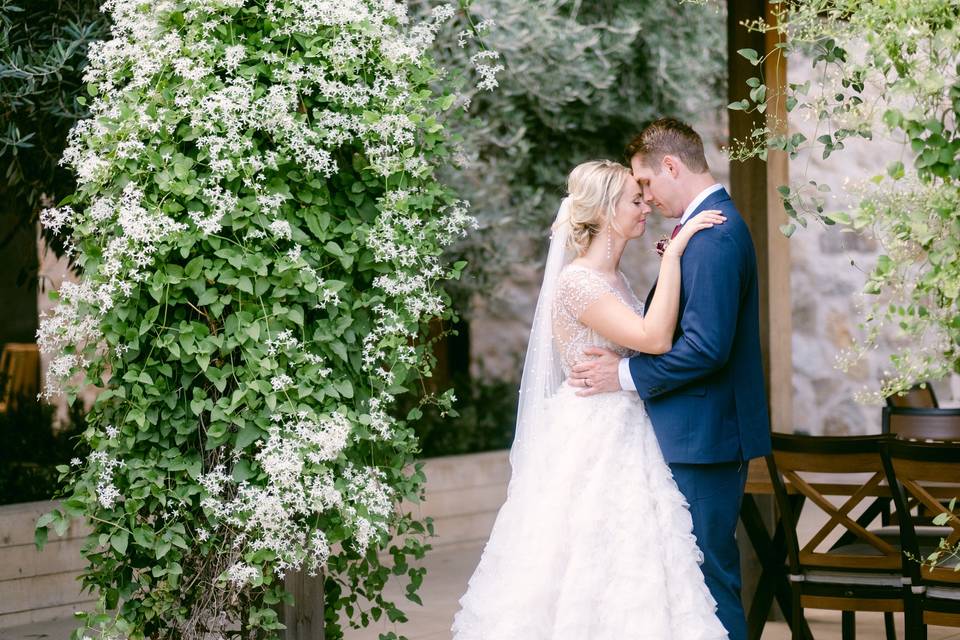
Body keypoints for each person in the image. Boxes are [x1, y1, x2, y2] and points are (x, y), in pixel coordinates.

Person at [451, 157, 729, 639]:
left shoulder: (616, 280)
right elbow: (654, 338)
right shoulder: (578, 282)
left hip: (627, 429)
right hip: (594, 437)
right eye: (634, 200)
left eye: (644, 198)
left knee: (636, 565)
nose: (646, 207)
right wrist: (674, 253)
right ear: (603, 211)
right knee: (585, 561)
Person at [568, 118, 772, 640]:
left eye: (647, 185)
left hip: (703, 438)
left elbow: (705, 348)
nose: (647, 199)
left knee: (706, 581)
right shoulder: (701, 232)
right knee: (685, 581)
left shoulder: (715, 235)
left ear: (671, 166)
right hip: (691, 434)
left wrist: (624, 374)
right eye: (636, 194)